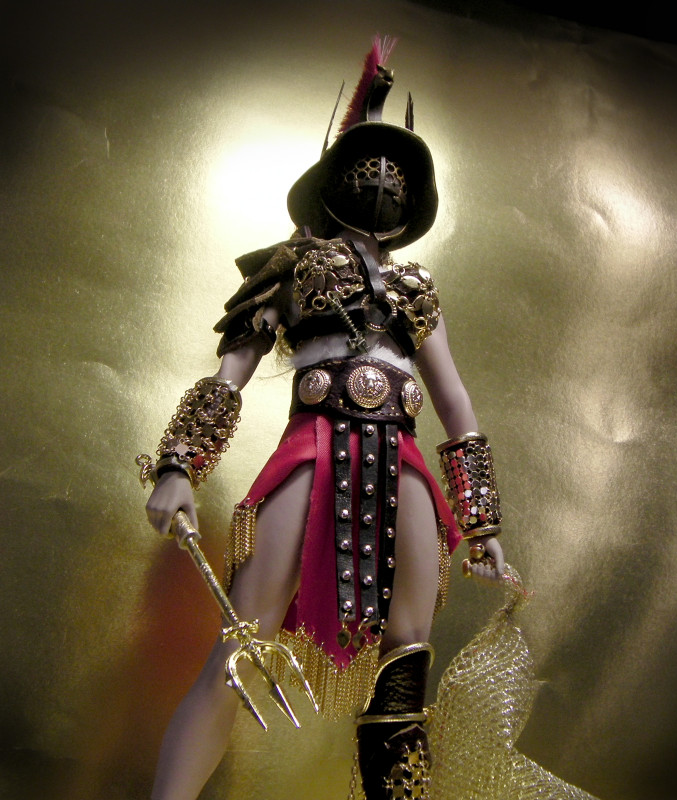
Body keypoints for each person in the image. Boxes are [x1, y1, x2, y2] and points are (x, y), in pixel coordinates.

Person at [144, 40, 505, 800]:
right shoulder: (288, 269)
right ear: (333, 178)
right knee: (240, 648)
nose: (382, 181)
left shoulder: (416, 289)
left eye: (396, 173)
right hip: (312, 452)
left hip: (404, 464)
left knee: (406, 661)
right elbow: (231, 374)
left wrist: (481, 522)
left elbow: (455, 402)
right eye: (367, 166)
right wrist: (179, 464)